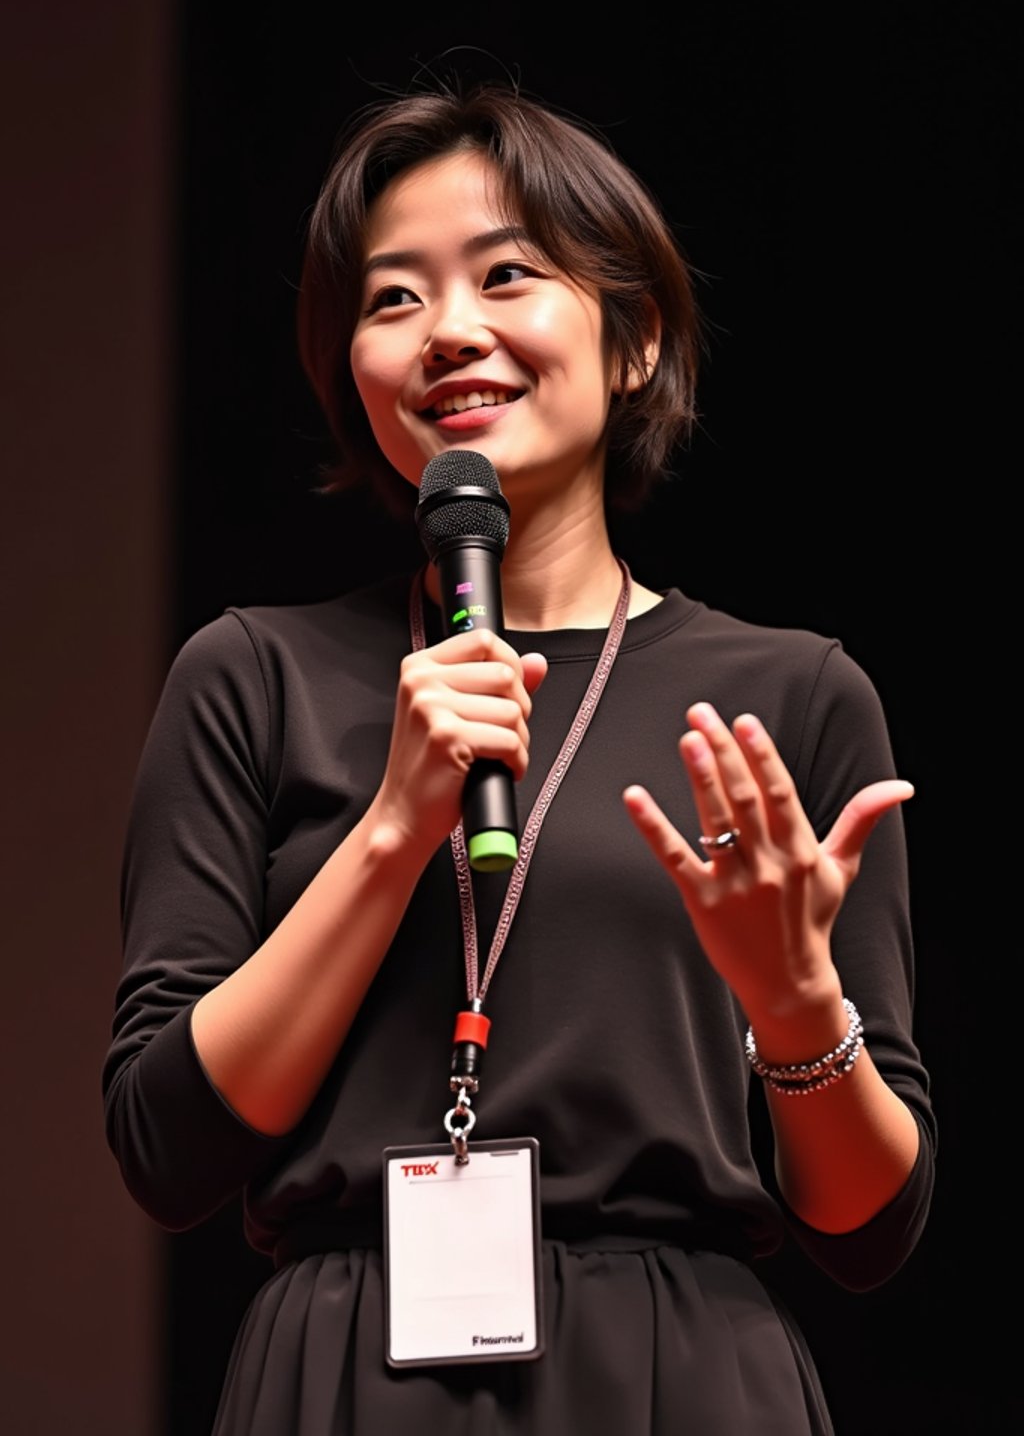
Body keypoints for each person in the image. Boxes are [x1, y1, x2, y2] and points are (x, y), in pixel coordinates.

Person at [103, 74, 936, 1435]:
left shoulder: (791, 694)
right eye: (391, 298)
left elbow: (868, 1225)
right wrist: (391, 829)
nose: (450, 331)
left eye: (509, 274)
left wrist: (794, 1006)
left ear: (634, 341)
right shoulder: (251, 674)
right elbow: (166, 1144)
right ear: (350, 375)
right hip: (345, 1364)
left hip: (685, 1369)